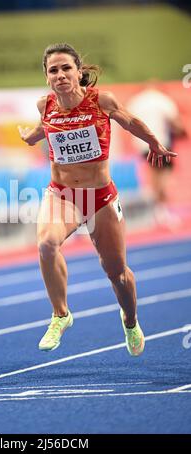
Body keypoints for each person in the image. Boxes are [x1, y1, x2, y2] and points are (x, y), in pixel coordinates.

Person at [18, 43, 177, 356]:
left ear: (79, 72)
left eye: (66, 68)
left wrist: (154, 143)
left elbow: (130, 121)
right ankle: (60, 314)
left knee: (117, 273)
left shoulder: (100, 100)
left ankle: (130, 320)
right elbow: (43, 129)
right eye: (53, 70)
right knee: (46, 244)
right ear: (47, 77)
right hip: (62, 194)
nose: (60, 74)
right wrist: (29, 137)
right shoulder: (45, 105)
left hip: (101, 198)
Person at [127, 83, 186, 228]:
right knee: (162, 177)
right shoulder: (162, 100)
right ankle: (161, 212)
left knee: (153, 176)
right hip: (160, 143)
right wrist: (182, 133)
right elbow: (176, 124)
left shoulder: (136, 101)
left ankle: (157, 211)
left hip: (142, 145)